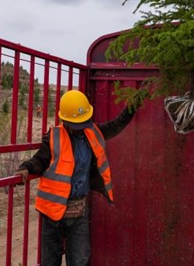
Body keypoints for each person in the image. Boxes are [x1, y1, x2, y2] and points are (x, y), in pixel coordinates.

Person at [15, 89, 139, 266]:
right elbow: (40, 160)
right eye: (78, 123)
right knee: (50, 261)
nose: (82, 126)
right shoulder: (54, 137)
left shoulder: (92, 132)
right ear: (66, 120)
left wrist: (132, 107)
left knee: (80, 259)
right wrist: (26, 168)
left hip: (79, 211)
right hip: (52, 213)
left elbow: (115, 125)